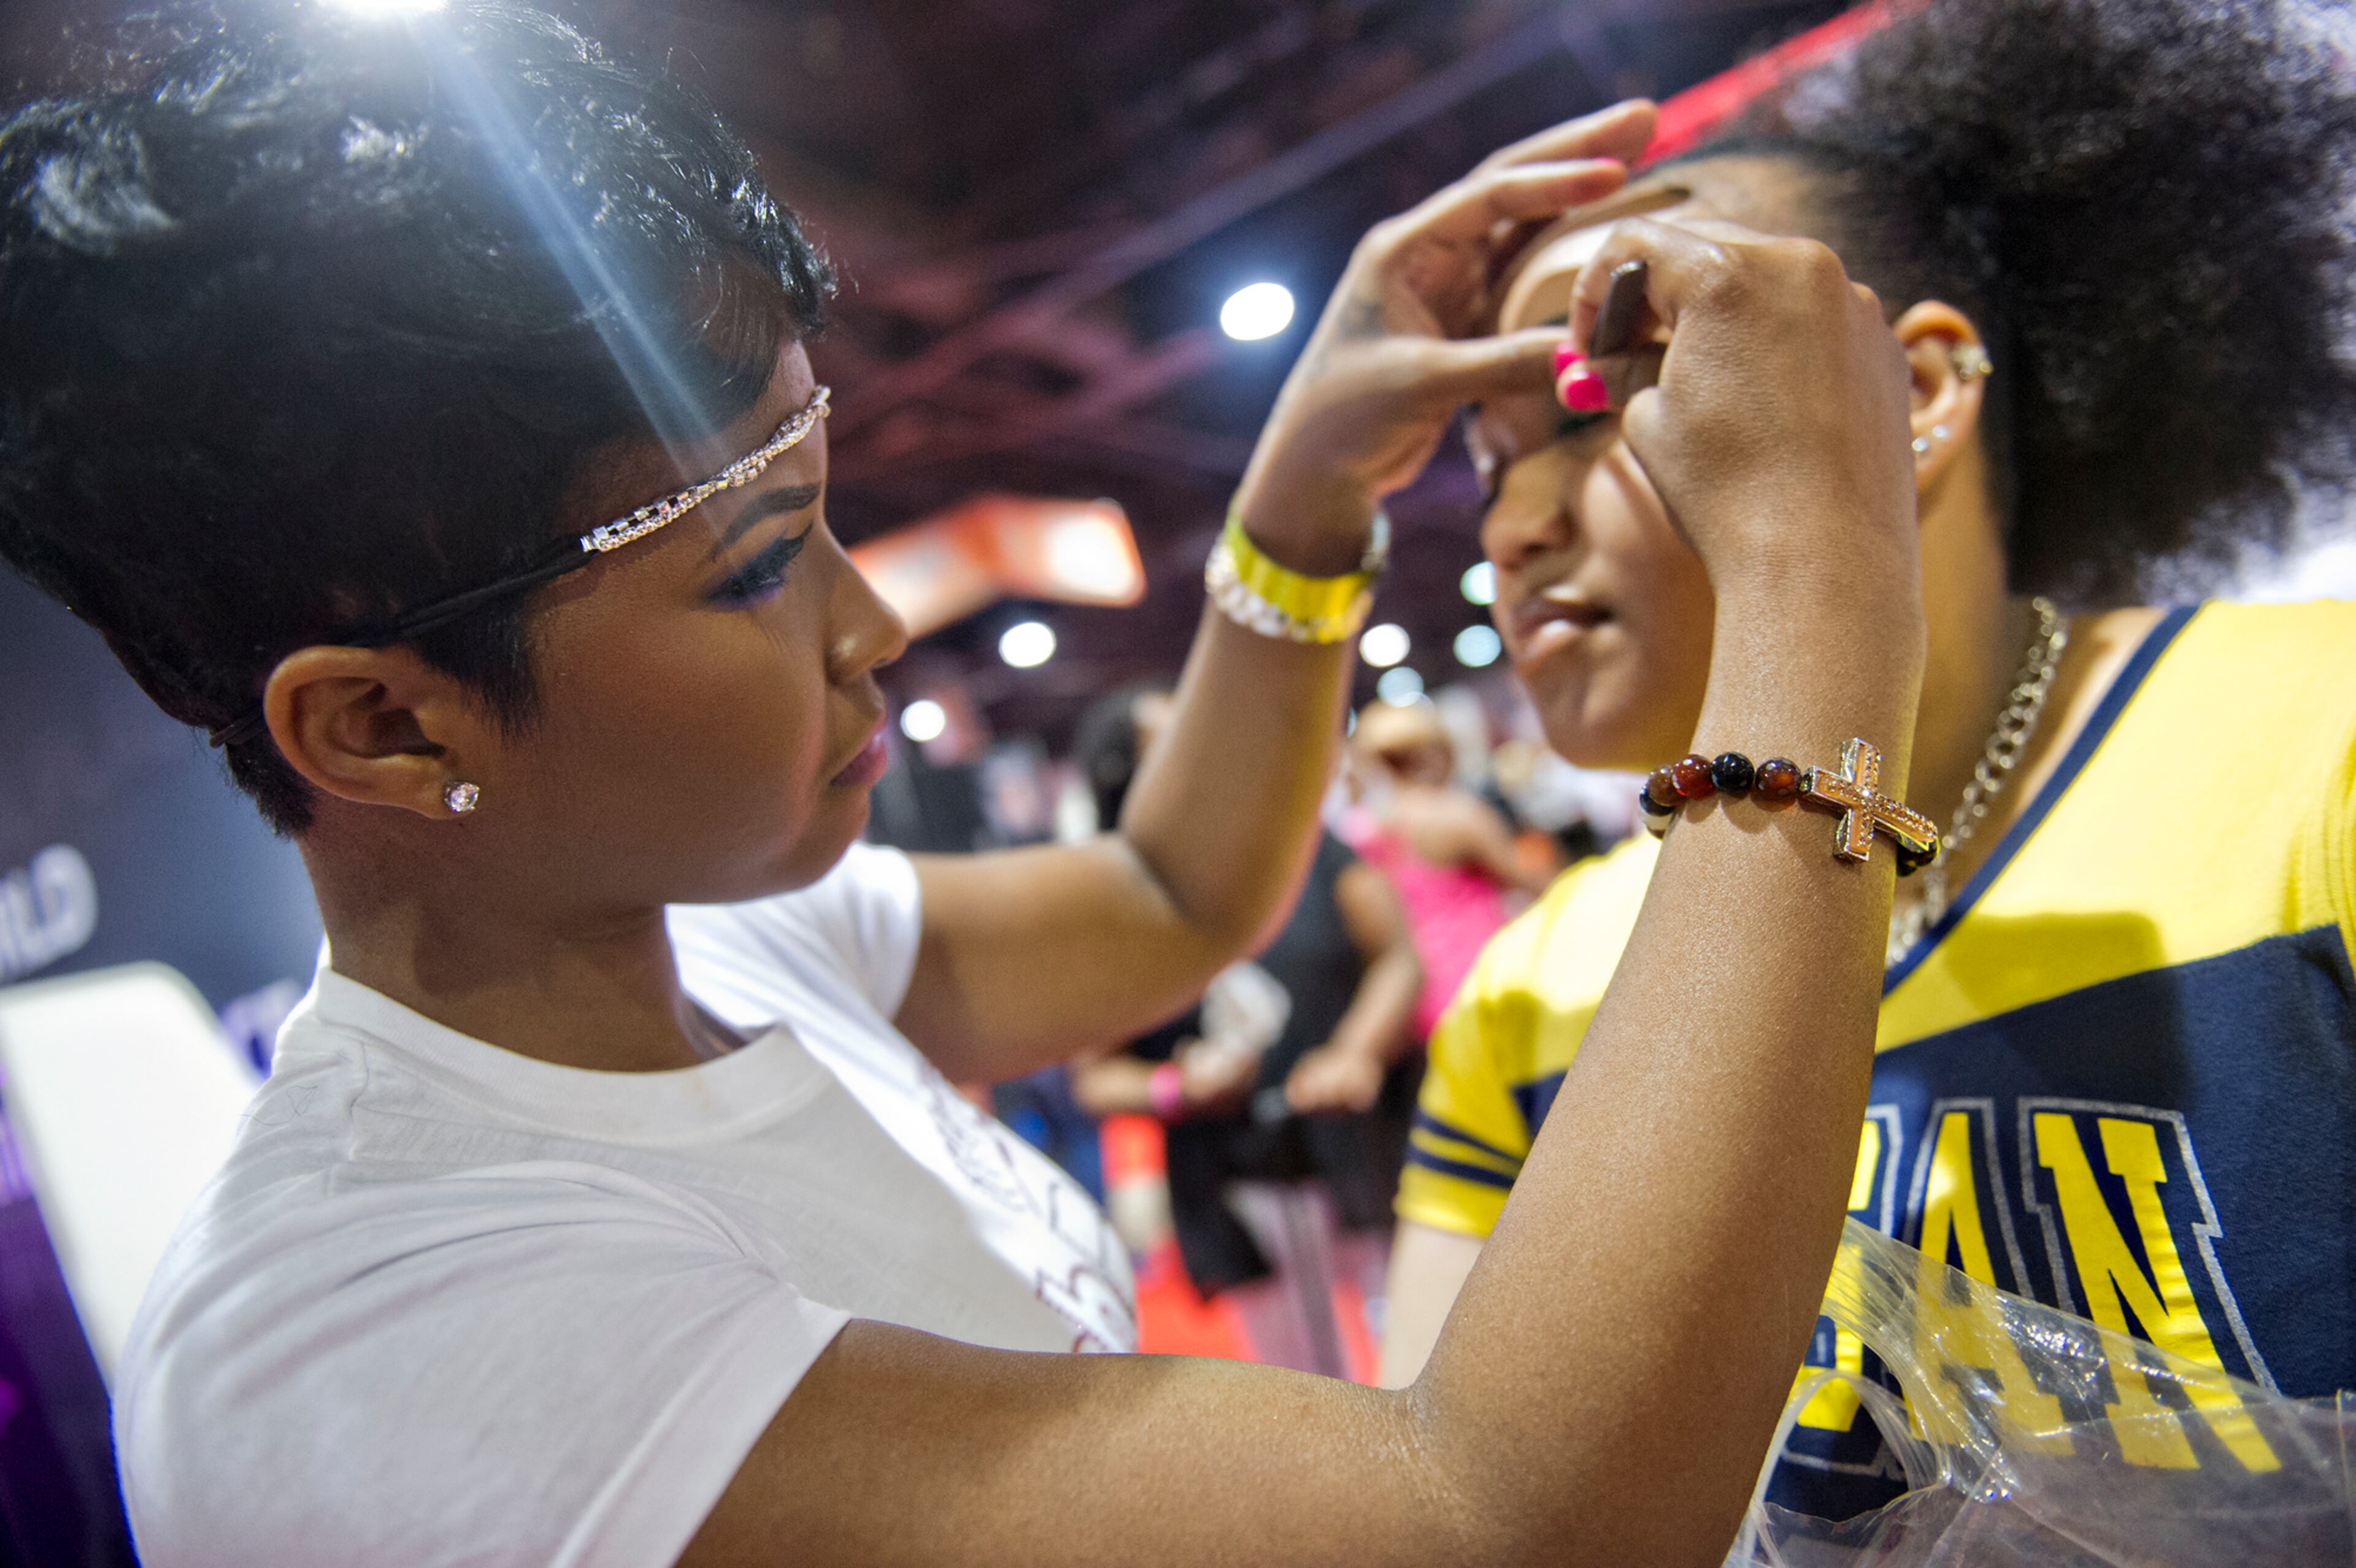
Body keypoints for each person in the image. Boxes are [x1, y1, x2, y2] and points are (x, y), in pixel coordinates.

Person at [0, 4, 1946, 1563]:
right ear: (388, 725)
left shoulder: (718, 941)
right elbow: (1514, 1520)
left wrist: (1296, 499)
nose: (872, 628)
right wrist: (1815, 572)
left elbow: (1179, 896)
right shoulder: (381, 1352)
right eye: (759, 563)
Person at [1380, 0, 2356, 1526]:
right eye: (1488, 462)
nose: (1509, 526)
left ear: (1908, 396)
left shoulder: (2322, 752)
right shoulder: (1525, 995)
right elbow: (1448, 1525)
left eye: (1590, 398)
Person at [1069, 687, 1424, 1377]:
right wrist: (1176, 1085)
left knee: (1412, 1346)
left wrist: (1355, 1052)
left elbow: (1397, 956)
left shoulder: (1299, 841)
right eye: (1174, 743)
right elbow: (1095, 1076)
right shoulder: (1111, 902)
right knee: (1296, 1377)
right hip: (1237, 1176)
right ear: (1126, 778)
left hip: (1354, 1147)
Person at [1345, 698, 1548, 1039]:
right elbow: (1534, 883)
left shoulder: (1359, 829)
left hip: (1415, 1001)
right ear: (1431, 751)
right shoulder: (1455, 813)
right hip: (1486, 980)